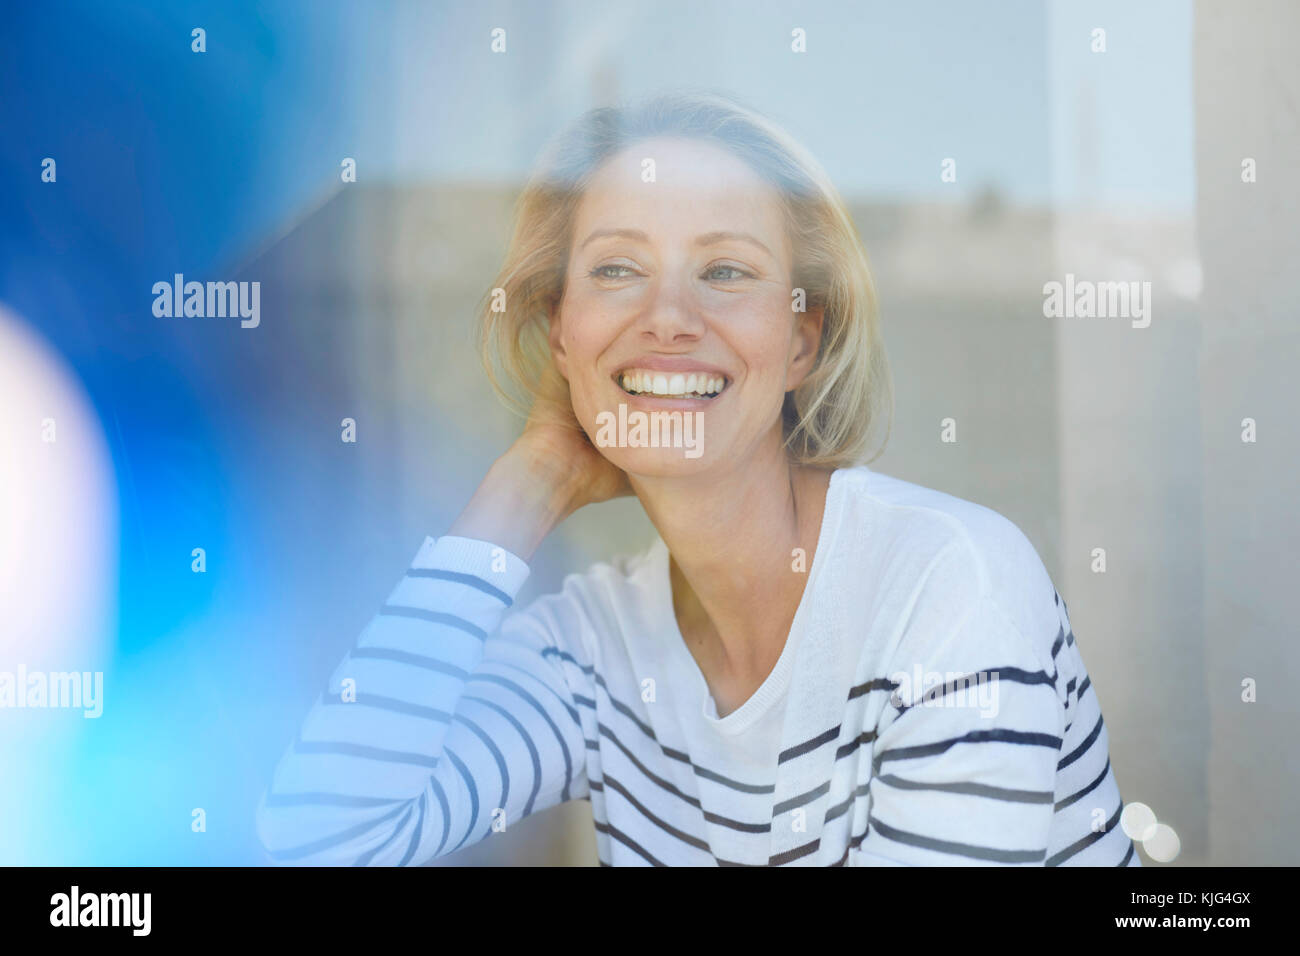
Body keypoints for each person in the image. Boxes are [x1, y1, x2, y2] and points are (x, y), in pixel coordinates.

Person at [256, 89, 1139, 866]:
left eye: (725, 271)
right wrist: (529, 483)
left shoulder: (947, 586)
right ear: (561, 334)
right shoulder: (595, 649)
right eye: (616, 270)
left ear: (802, 341)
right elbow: (322, 838)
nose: (669, 317)